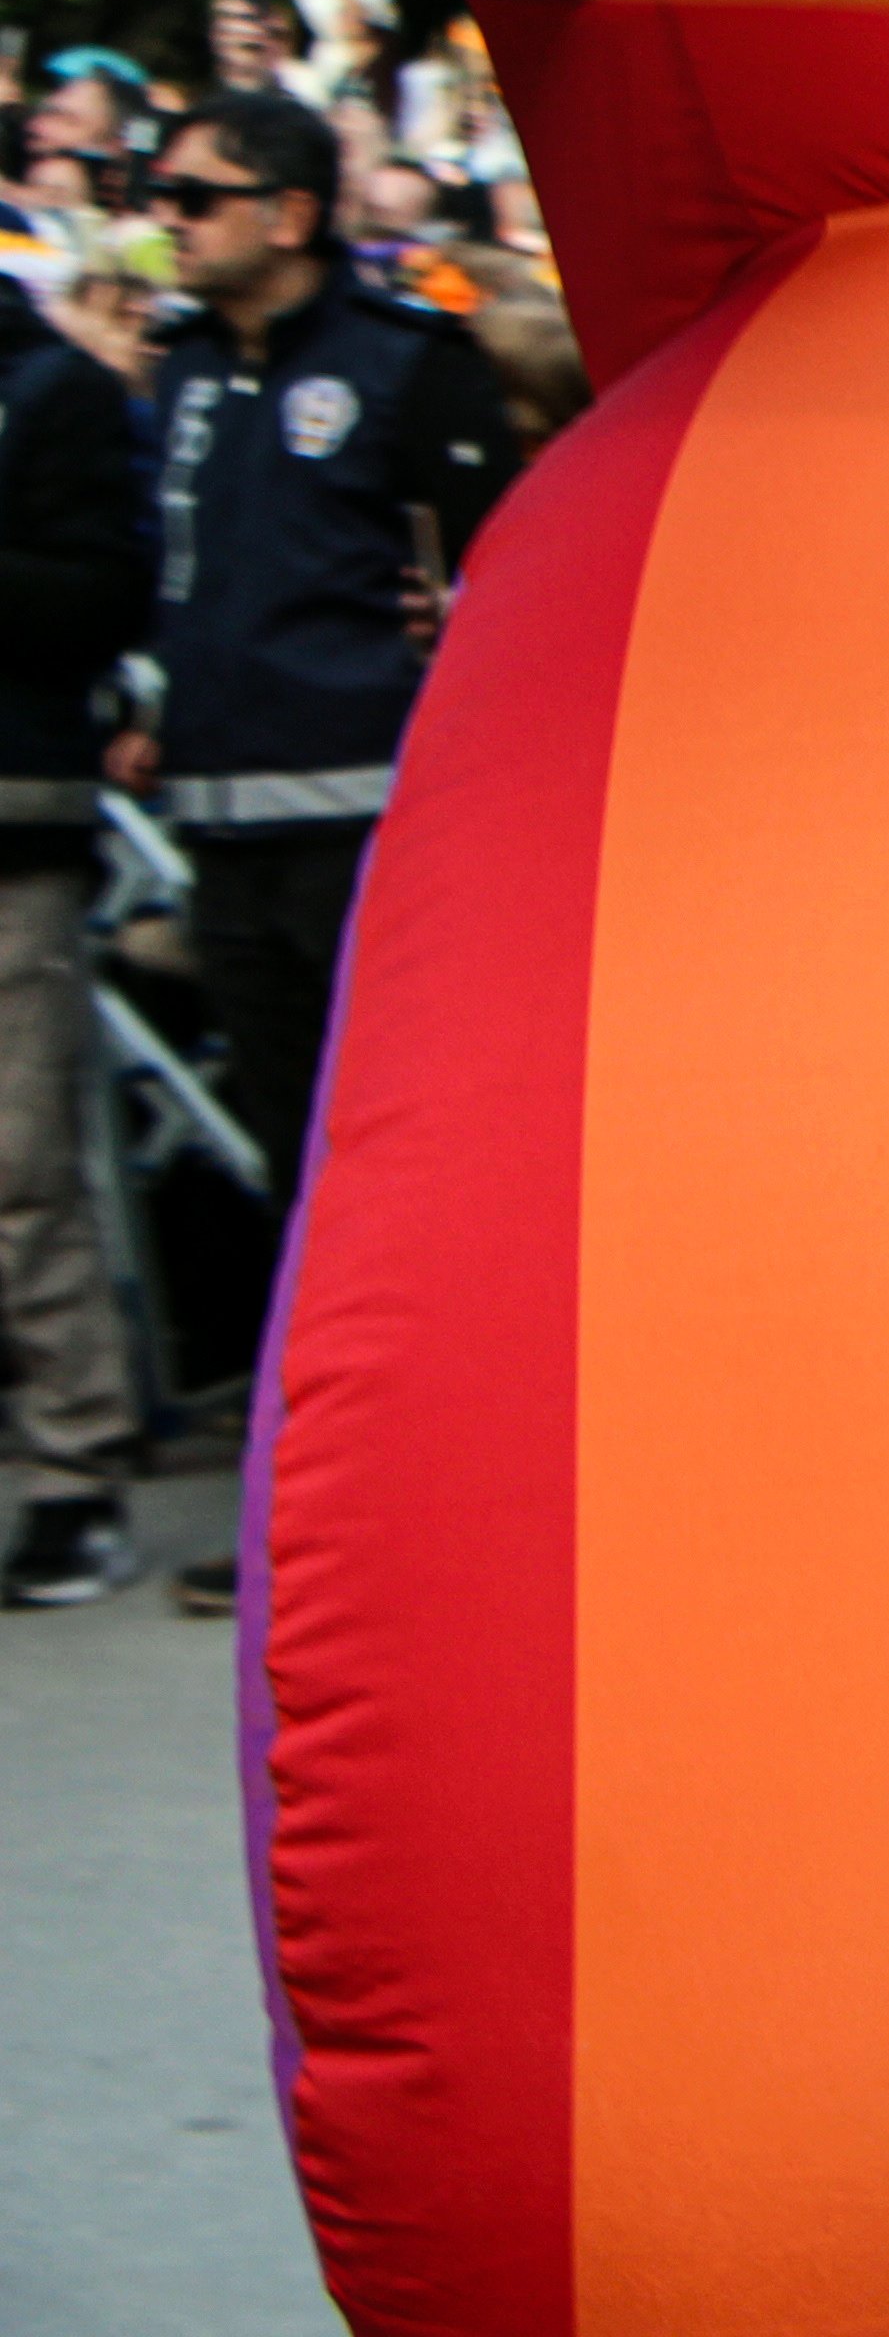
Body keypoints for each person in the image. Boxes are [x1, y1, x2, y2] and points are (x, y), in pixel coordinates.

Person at [120, 92, 520, 1611]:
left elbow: (499, 575)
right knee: (291, 1180)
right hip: (223, 835)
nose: (171, 216)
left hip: (374, 841)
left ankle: (443, 1498)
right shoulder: (182, 371)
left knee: (397, 1181)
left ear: (289, 213)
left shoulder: (407, 361)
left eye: (199, 194)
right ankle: (315, 1527)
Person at [0, 251, 152, 1610]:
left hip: (15, 826)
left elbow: (101, 597)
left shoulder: (53, 390)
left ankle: (71, 1474)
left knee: (18, 1169)